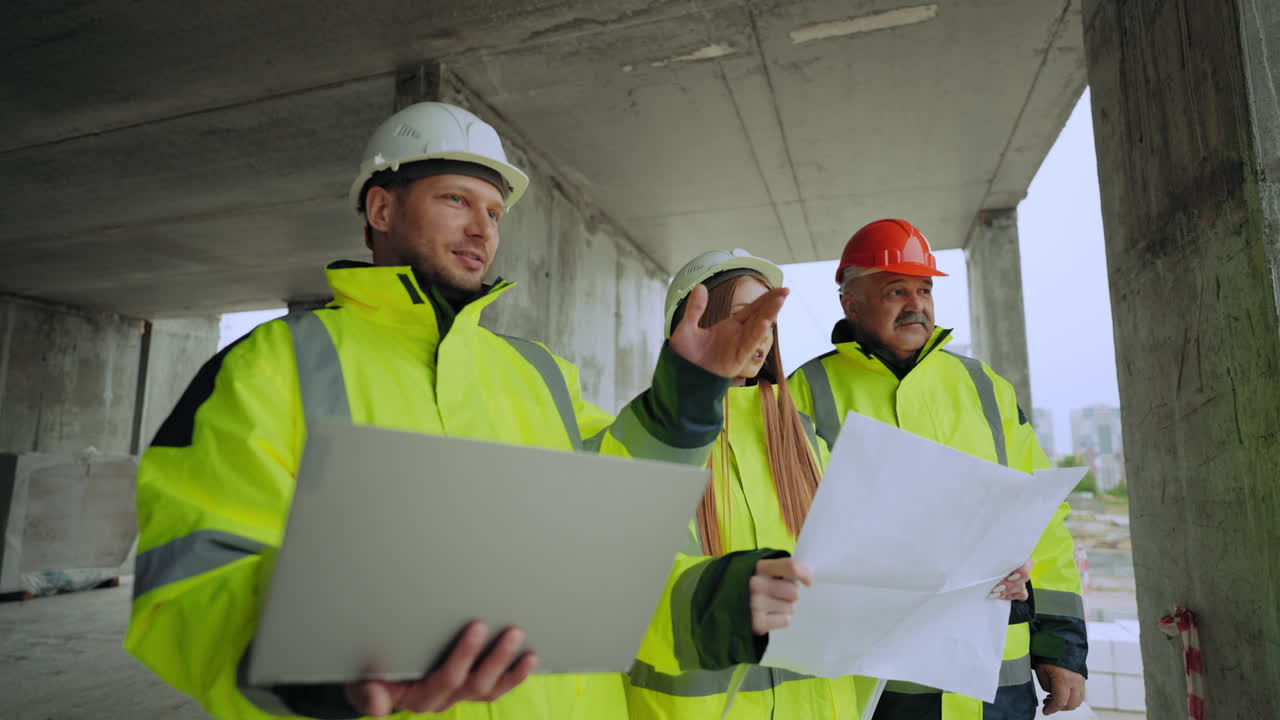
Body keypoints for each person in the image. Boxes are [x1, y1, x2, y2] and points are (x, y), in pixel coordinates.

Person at [124, 102, 787, 720]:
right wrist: (322, 673)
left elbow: (610, 556)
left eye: (495, 212)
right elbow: (190, 589)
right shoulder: (271, 367)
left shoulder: (540, 375)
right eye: (456, 200)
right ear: (381, 208)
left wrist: (691, 398)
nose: (482, 228)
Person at [625, 250, 1032, 720]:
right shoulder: (644, 441)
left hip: (820, 706)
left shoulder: (802, 436)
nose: (760, 333)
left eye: (768, 320)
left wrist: (979, 570)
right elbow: (625, 594)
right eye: (742, 317)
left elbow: (869, 556)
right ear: (690, 324)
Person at [789, 219, 1087, 719]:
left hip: (996, 680)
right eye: (896, 290)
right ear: (851, 303)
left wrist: (1060, 646)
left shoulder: (985, 387)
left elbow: (1043, 520)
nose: (917, 304)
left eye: (924, 289)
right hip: (880, 681)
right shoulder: (804, 393)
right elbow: (787, 530)